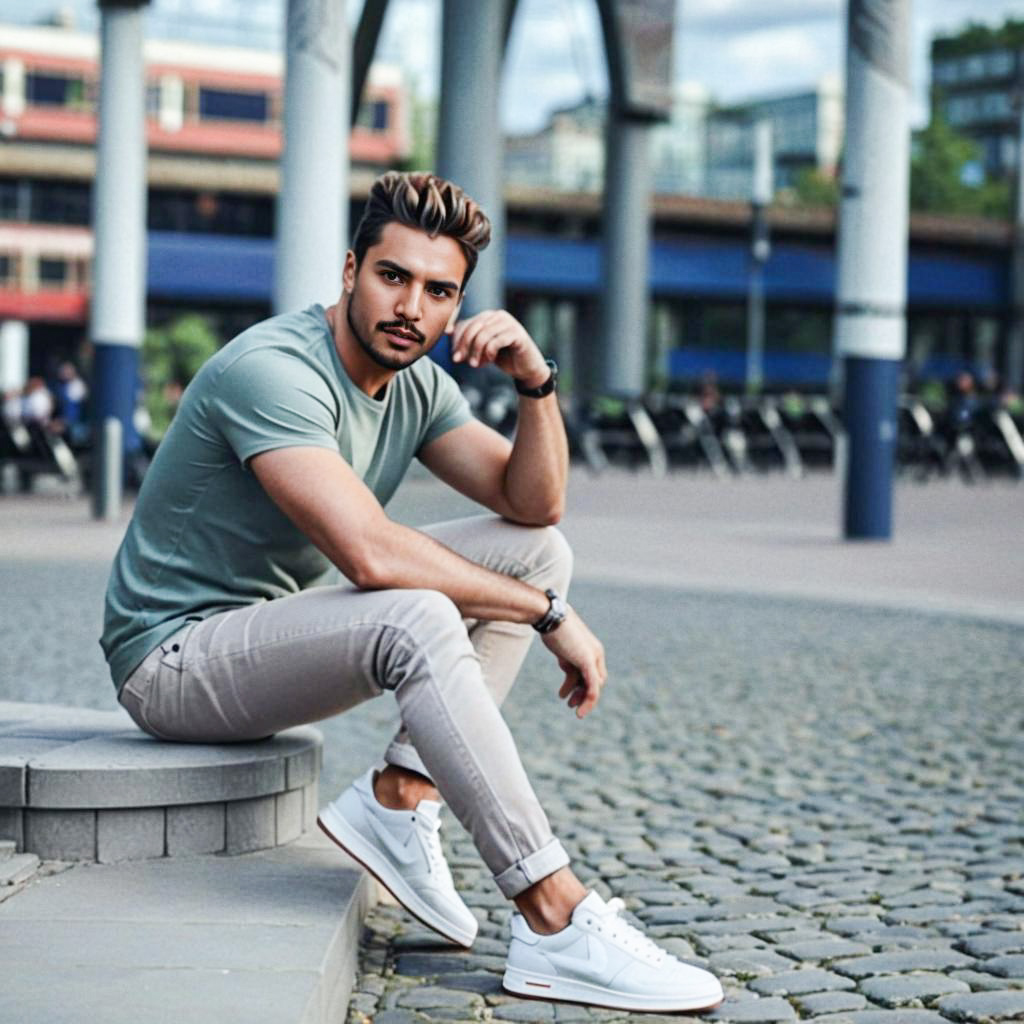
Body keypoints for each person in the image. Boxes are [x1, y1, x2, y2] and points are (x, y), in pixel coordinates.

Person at [101, 171, 723, 1014]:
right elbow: (367, 553)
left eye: (440, 292)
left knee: (537, 554)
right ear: (352, 269)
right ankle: (554, 917)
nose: (412, 309)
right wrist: (549, 619)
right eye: (394, 277)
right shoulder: (273, 370)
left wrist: (535, 383)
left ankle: (399, 800)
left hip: (265, 636)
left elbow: (533, 507)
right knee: (418, 607)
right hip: (171, 661)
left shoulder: (418, 385)